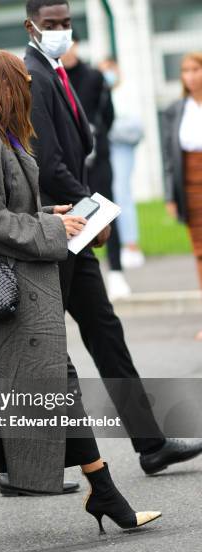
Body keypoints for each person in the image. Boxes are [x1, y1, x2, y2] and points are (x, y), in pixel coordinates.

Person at [0, 48, 161, 549]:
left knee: (36, 389)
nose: (28, 87)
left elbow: (4, 206)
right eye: (20, 80)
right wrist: (51, 227)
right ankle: (104, 494)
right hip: (7, 294)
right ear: (2, 86)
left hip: (19, 291)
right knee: (19, 392)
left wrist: (49, 210)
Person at [15, 0, 202, 495]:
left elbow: (77, 144)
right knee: (43, 349)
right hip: (57, 230)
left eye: (66, 23)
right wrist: (91, 212)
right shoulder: (34, 76)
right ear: (30, 26)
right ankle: (20, 470)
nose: (60, 31)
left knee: (104, 332)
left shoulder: (56, 70)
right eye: (50, 24)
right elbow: (49, 163)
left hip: (73, 230)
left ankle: (151, 443)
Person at [62, 35, 131, 300]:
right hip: (69, 162)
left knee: (106, 210)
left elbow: (108, 115)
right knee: (75, 216)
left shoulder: (93, 77)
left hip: (97, 158)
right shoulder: (55, 79)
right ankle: (80, 275)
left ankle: (116, 271)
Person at [162, 52, 202, 341]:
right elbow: (169, 158)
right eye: (185, 71)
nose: (190, 76)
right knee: (200, 254)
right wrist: (171, 196)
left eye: (195, 69)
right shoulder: (177, 109)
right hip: (189, 188)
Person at [99, 58, 146, 270]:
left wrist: (109, 128)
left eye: (110, 69)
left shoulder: (127, 93)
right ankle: (114, 246)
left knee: (122, 194)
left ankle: (131, 245)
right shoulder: (99, 93)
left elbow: (135, 128)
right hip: (104, 151)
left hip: (121, 150)